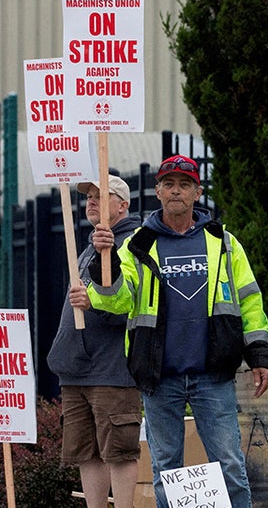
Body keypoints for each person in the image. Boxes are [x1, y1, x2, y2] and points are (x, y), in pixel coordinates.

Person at [72, 154, 268, 508]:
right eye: (169, 184)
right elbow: (119, 301)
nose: (176, 191)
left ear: (197, 193)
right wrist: (108, 268)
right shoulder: (137, 244)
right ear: (157, 192)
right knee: (167, 471)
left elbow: (249, 300)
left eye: (184, 185)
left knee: (230, 467)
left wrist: (259, 354)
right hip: (159, 375)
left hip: (213, 374)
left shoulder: (224, 242)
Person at [48, 175, 141, 508]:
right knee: (86, 451)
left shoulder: (132, 243)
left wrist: (95, 300)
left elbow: (129, 306)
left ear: (123, 204)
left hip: (112, 369)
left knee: (118, 450)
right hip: (78, 369)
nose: (91, 202)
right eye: (89, 197)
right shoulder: (90, 245)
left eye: (102, 196)